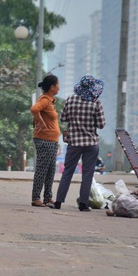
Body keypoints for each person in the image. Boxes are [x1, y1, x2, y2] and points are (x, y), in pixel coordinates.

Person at [51, 75, 106, 212]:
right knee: (87, 174)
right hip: (91, 144)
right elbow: (101, 124)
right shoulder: (96, 102)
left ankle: (58, 202)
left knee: (68, 172)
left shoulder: (71, 99)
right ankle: (83, 204)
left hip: (74, 142)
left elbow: (63, 118)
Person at [29, 74, 60, 208]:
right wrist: (41, 123)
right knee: (42, 169)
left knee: (51, 170)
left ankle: (48, 197)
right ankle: (36, 198)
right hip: (44, 140)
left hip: (52, 140)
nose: (59, 87)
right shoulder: (45, 100)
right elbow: (34, 109)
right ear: (52, 87)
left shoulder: (50, 101)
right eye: (57, 85)